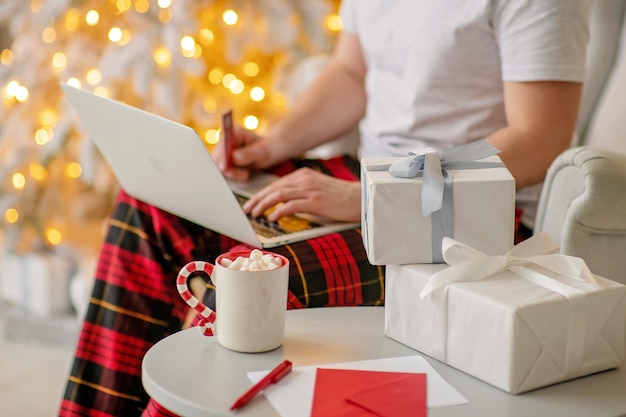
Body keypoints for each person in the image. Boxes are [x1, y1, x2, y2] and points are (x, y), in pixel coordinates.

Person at [58, 0, 593, 416]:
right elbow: (351, 74)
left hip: (466, 223)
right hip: (366, 178)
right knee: (150, 205)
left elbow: (541, 136)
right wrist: (273, 145)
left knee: (261, 283)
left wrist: (374, 197)